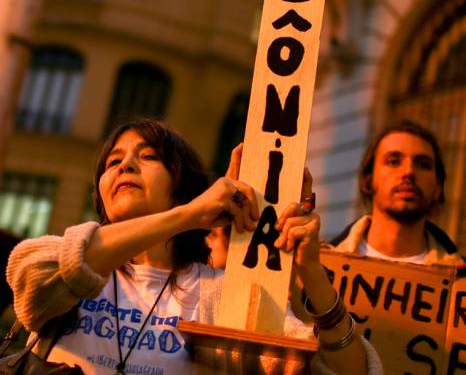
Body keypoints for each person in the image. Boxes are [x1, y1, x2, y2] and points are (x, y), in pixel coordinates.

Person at [7, 118, 381, 374]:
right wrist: (189, 214)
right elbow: (38, 272)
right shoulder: (74, 262)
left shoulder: (221, 293)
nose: (126, 166)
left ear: (182, 182)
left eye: (149, 156)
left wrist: (310, 271)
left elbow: (348, 370)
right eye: (113, 161)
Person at [330, 119, 464, 265]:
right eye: (393, 162)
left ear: (438, 188)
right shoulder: (319, 267)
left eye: (423, 165)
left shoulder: (460, 280)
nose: (409, 171)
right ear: (369, 180)